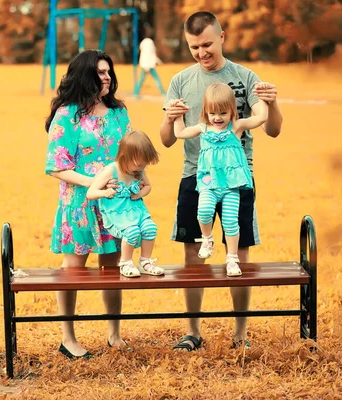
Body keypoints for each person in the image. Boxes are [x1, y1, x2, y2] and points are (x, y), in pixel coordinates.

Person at [159, 11, 284, 351]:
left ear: (223, 36)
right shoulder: (180, 81)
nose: (202, 52)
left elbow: (272, 129)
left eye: (207, 44)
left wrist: (272, 105)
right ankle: (193, 332)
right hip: (195, 177)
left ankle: (240, 333)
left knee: (239, 257)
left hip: (238, 180)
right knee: (193, 257)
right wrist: (169, 120)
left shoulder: (245, 77)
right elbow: (168, 140)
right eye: (194, 46)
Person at [45, 49, 132, 359]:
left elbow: (130, 155)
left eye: (108, 71)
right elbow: (57, 166)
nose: (106, 76)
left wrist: (135, 182)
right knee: (73, 270)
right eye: (99, 72)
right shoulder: (67, 115)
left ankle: (115, 334)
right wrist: (94, 182)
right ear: (85, 76)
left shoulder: (119, 112)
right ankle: (68, 338)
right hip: (78, 207)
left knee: (112, 268)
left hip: (115, 205)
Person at [172, 82, 269, 277]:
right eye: (212, 113)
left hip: (232, 184)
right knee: (204, 212)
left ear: (232, 111)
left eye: (223, 113)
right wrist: (177, 115)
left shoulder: (237, 126)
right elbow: (180, 133)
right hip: (209, 183)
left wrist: (264, 98)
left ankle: (232, 259)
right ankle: (207, 239)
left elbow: (261, 118)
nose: (217, 118)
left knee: (231, 222)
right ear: (205, 111)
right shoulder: (203, 129)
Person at [87, 131, 164, 278]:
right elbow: (90, 193)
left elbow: (148, 186)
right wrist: (105, 193)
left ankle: (145, 262)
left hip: (136, 210)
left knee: (150, 228)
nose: (140, 169)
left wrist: (139, 194)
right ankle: (125, 262)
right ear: (124, 157)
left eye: (143, 165)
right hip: (116, 214)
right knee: (132, 231)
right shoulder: (111, 170)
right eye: (137, 165)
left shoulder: (138, 171)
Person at [133, 27, 167, 97]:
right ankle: (162, 92)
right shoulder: (150, 42)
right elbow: (150, 53)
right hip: (149, 65)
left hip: (144, 64)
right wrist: (156, 61)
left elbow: (144, 53)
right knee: (156, 78)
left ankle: (136, 93)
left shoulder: (143, 42)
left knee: (142, 79)